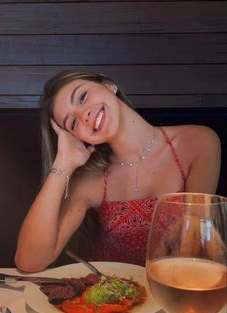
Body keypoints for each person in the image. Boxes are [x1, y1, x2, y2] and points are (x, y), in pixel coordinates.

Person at [14, 70, 221, 272]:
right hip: (112, 304)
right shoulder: (90, 181)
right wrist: (63, 163)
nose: (83, 115)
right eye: (73, 122)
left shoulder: (198, 142)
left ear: (108, 85)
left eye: (83, 96)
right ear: (76, 137)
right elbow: (29, 261)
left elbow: (199, 238)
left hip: (175, 297)